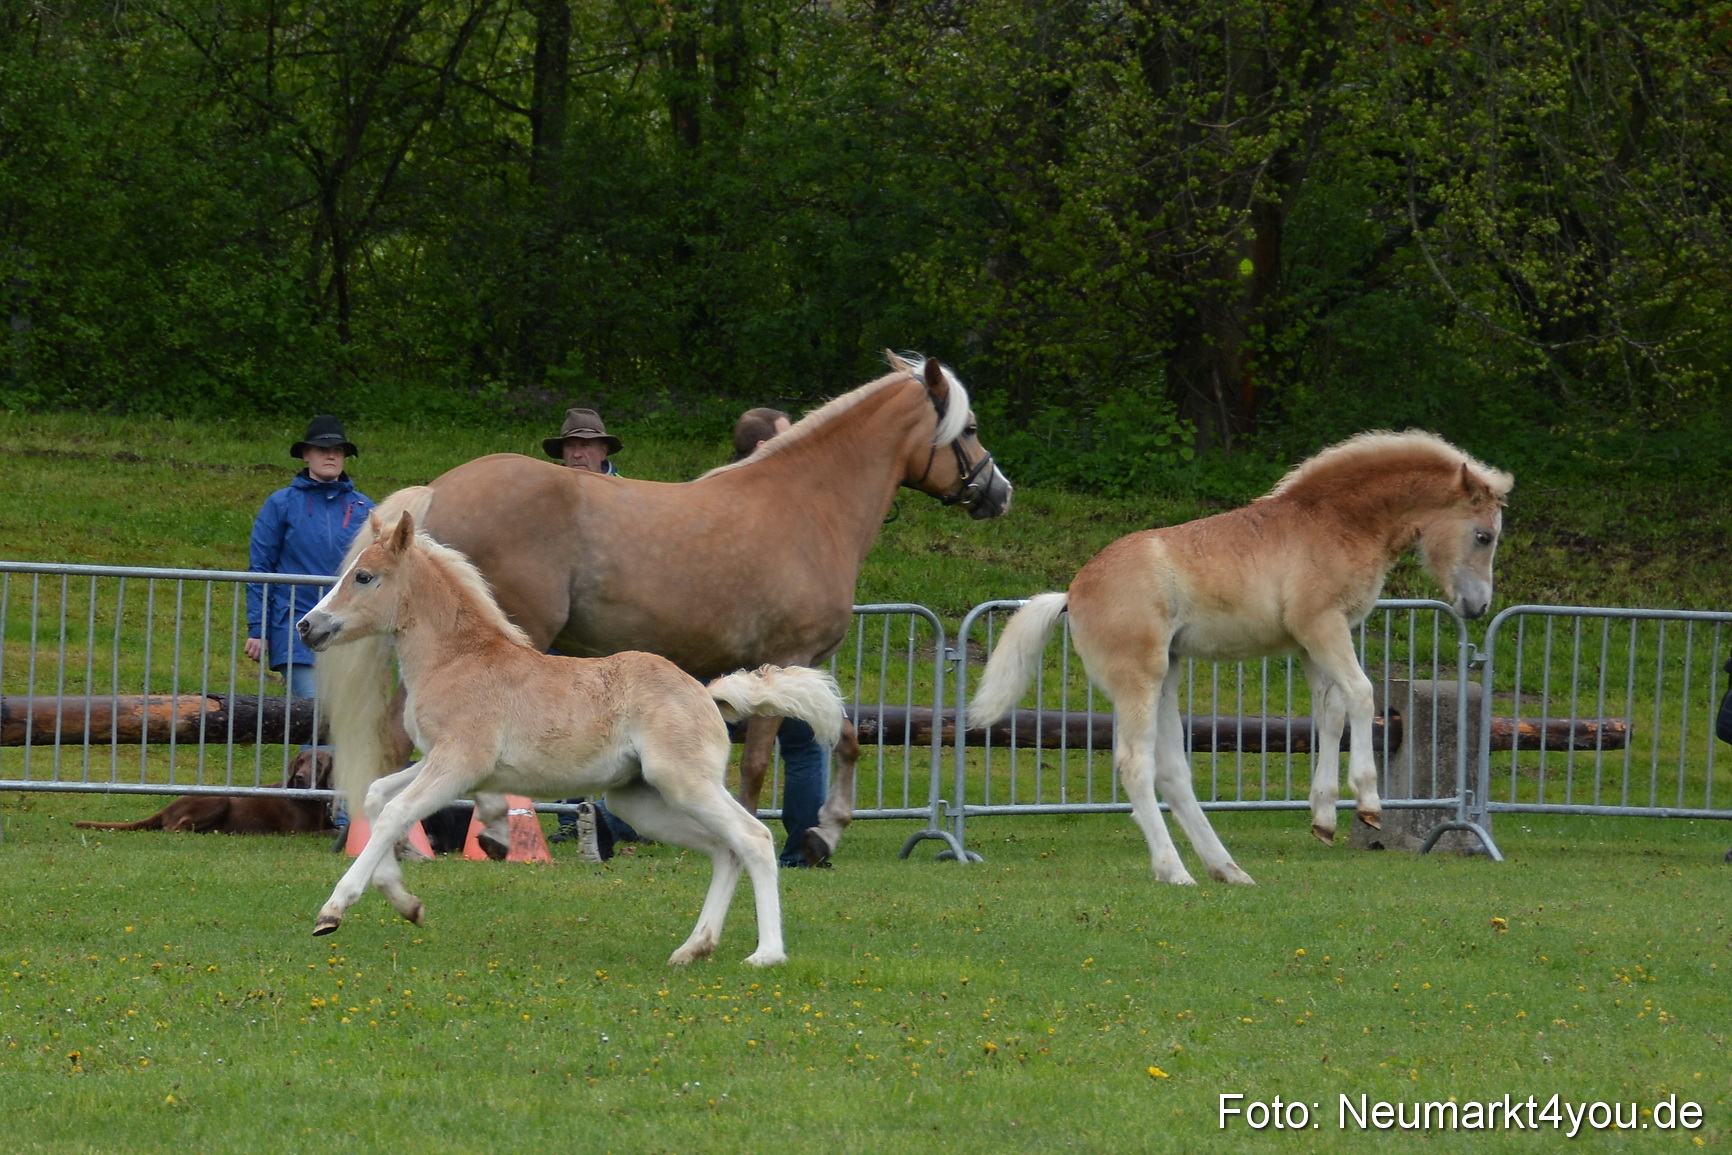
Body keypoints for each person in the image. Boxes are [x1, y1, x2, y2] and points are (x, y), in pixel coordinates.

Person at [245, 415, 374, 829]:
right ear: (306, 455)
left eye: (338, 449)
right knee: (313, 721)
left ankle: (342, 813)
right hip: (295, 630)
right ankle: (320, 814)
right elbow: (260, 568)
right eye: (322, 449)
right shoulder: (281, 503)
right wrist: (258, 629)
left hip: (352, 635)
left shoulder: (365, 509)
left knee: (349, 722)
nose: (331, 455)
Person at [729, 407, 830, 868]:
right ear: (763, 449)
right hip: (754, 655)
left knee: (805, 736)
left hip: (759, 651)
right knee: (803, 739)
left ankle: (802, 843)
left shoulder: (725, 493)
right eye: (792, 438)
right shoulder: (766, 509)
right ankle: (796, 844)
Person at [541, 407, 639, 860]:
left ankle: (620, 819)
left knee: (614, 724)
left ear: (604, 449)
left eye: (585, 444)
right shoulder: (545, 499)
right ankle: (572, 816)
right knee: (563, 721)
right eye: (570, 445)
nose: (577, 452)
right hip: (563, 625)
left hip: (620, 623)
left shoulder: (632, 497)